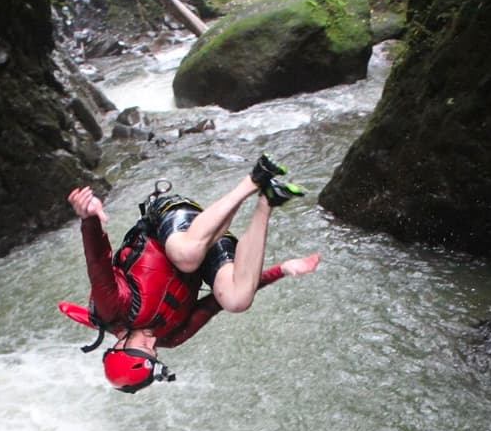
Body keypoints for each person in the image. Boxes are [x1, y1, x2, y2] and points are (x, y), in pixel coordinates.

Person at [66, 153, 321, 393]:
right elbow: (214, 303)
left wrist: (89, 219)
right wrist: (282, 270)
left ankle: (255, 177)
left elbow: (97, 262)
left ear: (119, 346)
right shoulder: (172, 337)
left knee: (187, 257)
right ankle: (269, 200)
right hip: (212, 244)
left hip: (168, 222)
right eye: (153, 352)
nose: (152, 344)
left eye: (143, 347)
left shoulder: (113, 309)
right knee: (237, 300)